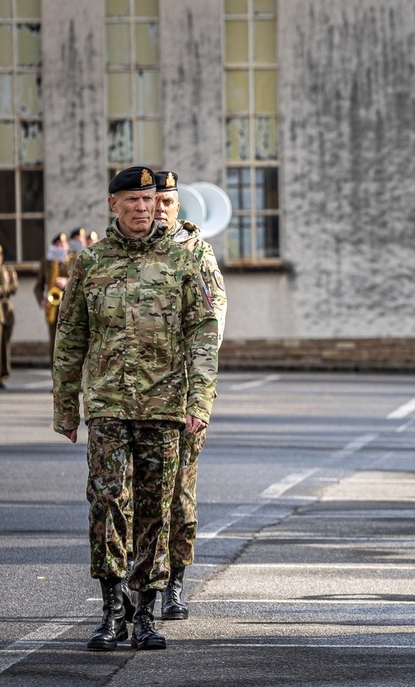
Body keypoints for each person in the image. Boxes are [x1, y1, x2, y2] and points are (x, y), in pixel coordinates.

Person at [53, 165, 219, 652]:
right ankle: (112, 611)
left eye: (149, 201)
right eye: (132, 201)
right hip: (107, 404)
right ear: (114, 206)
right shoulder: (90, 263)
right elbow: (71, 338)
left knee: (154, 510)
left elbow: (203, 334)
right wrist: (66, 407)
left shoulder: (184, 260)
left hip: (165, 406)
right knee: (106, 505)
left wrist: (199, 400)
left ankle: (145, 613)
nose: (143, 209)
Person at [152, 170, 228, 620]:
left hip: (180, 393)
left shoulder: (198, 255)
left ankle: (175, 582)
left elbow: (212, 325)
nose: (157, 209)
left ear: (179, 207)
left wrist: (198, 391)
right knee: (140, 496)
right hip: (134, 398)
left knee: (179, 493)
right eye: (152, 200)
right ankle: (143, 581)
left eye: (167, 202)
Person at [34, 232, 69, 364]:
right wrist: (41, 301)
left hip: (70, 307)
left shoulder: (74, 260)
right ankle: (55, 380)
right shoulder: (46, 263)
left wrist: (67, 282)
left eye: (63, 245)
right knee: (54, 345)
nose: (61, 248)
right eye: (58, 245)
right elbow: (37, 287)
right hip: (53, 308)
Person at [0, 244, 16, 388]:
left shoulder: (8, 270)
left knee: (5, 345)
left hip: (6, 311)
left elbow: (13, 287)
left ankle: (4, 374)